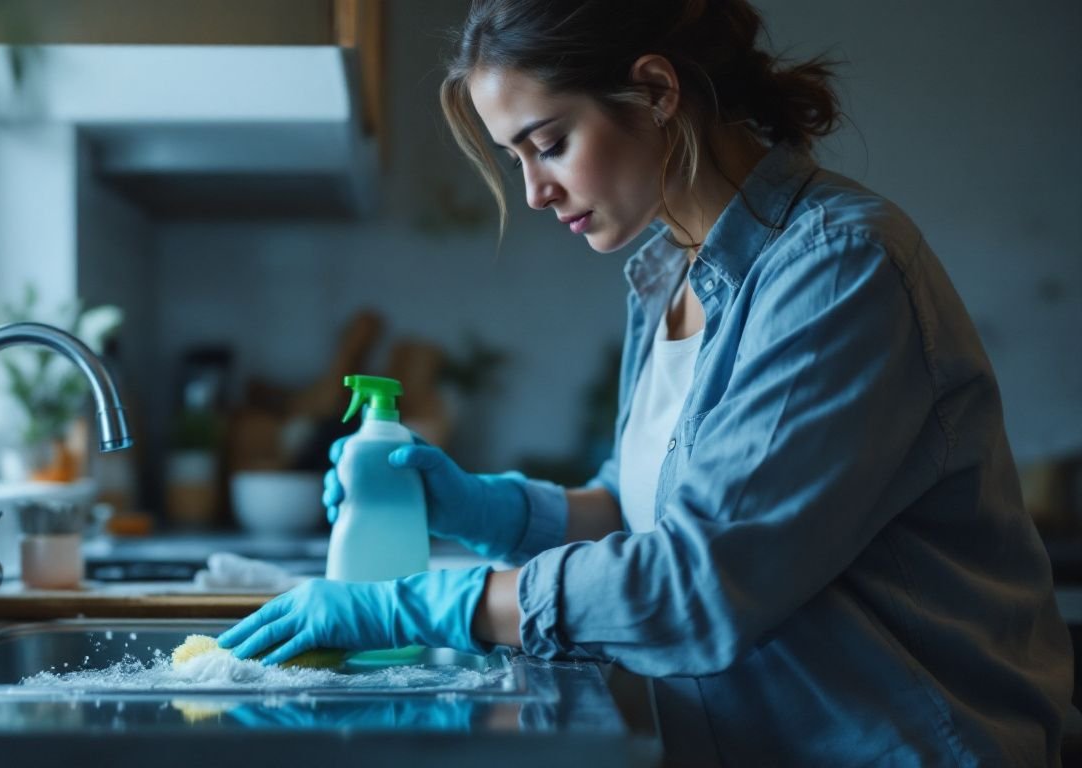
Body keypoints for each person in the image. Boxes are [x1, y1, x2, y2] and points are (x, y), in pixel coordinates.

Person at [217, 0, 1074, 763]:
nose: (535, 190)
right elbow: (637, 508)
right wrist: (484, 510)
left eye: (549, 144)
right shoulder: (669, 272)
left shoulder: (836, 270)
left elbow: (699, 586)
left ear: (657, 91)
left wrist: (431, 604)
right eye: (516, 158)